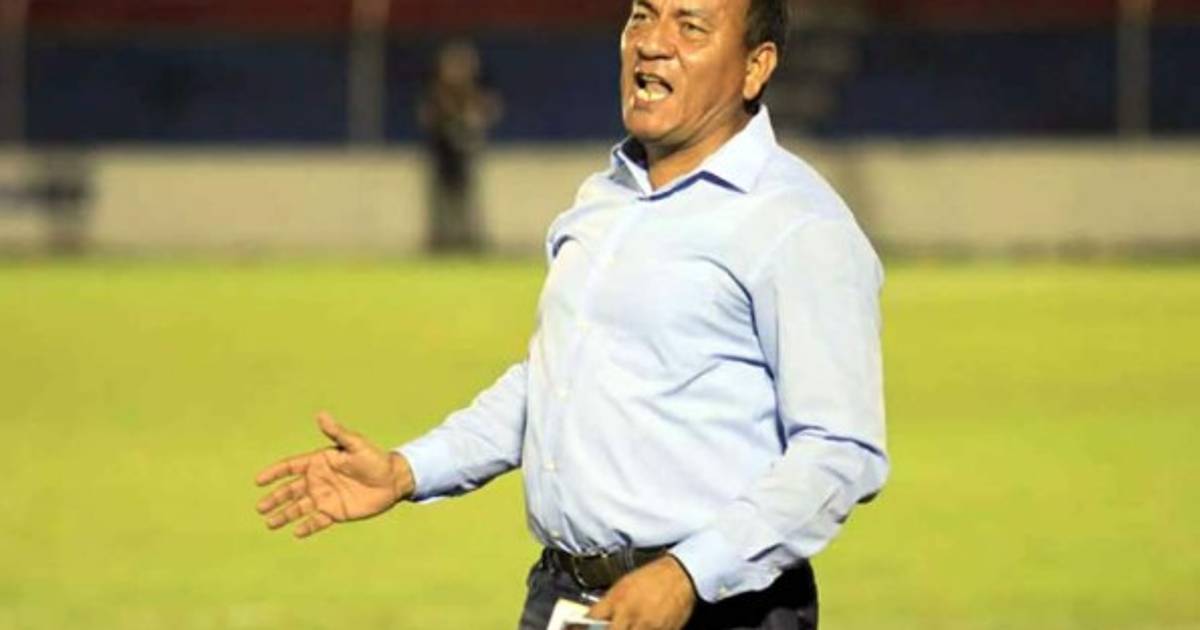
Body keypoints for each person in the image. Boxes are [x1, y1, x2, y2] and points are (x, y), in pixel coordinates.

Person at [254, 1, 888, 628]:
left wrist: (689, 573)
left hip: (719, 607)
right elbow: (553, 382)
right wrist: (408, 470)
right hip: (566, 595)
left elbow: (840, 450)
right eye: (642, 16)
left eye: (690, 25)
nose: (652, 42)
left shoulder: (797, 224)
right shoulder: (604, 198)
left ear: (756, 67)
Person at [418, 40, 502, 253]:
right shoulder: (437, 93)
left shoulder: (476, 92)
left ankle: (469, 239)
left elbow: (491, 111)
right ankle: (440, 240)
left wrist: (473, 119)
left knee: (468, 200)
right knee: (441, 201)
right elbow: (426, 117)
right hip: (441, 156)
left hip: (466, 156)